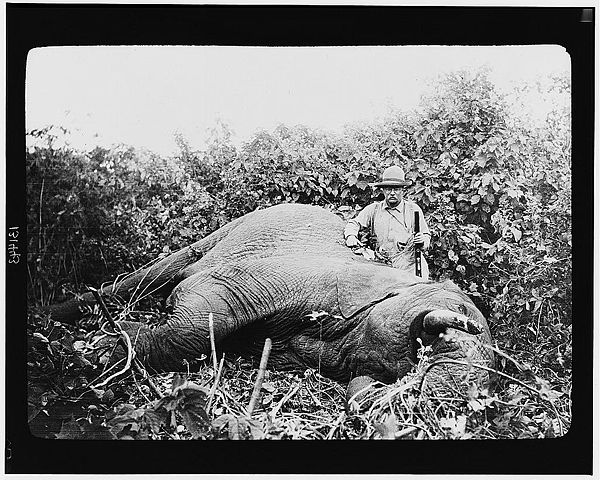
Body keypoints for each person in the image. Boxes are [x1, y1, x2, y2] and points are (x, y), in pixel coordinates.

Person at [344, 165, 431, 278]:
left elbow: (426, 235)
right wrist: (351, 236)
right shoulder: (374, 209)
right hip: (383, 266)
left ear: (402, 190)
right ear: (383, 190)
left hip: (410, 265)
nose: (392, 193)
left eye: (396, 189)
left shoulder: (413, 210)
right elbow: (354, 223)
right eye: (388, 189)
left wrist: (423, 240)